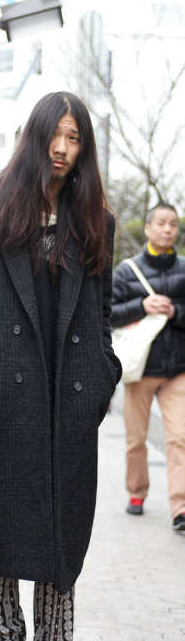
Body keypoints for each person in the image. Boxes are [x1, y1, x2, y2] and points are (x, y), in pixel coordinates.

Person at [0, 91, 121, 641]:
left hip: (69, 398)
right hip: (1, 396)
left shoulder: (93, 216)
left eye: (76, 139)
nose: (63, 149)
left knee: (60, 525)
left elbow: (99, 315)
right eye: (56, 135)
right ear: (34, 134)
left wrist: (103, 376)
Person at [111, 202, 185, 531]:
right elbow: (107, 313)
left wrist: (175, 313)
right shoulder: (127, 271)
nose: (168, 229)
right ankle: (137, 493)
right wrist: (141, 305)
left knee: (180, 437)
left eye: (173, 224)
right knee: (136, 438)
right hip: (138, 369)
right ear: (148, 228)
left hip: (177, 371)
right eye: (162, 223)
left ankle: (180, 507)